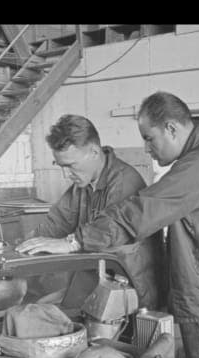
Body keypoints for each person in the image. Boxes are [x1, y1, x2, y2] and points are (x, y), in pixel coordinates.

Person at [18, 92, 199, 358]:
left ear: (171, 129)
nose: (147, 149)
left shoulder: (197, 166)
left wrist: (73, 242)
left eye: (149, 138)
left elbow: (139, 213)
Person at [17, 114, 162, 308]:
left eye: (71, 166)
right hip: (96, 282)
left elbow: (110, 230)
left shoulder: (124, 182)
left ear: (94, 152)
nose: (65, 175)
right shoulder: (83, 186)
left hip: (130, 288)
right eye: (60, 166)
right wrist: (18, 249)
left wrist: (71, 242)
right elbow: (56, 223)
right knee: (41, 307)